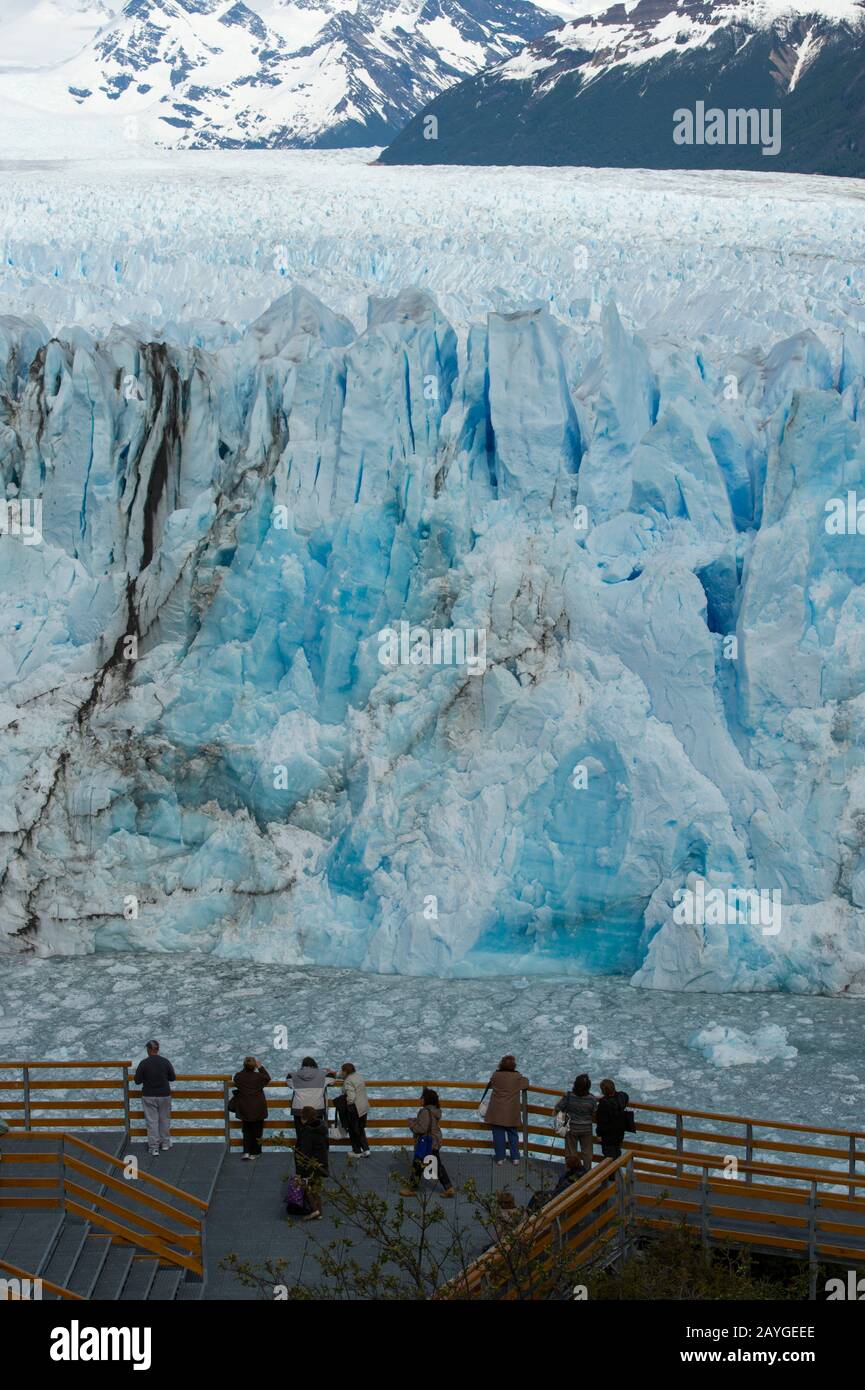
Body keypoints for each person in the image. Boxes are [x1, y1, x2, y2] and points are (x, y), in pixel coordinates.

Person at [401, 1088, 455, 1198]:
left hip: (427, 1142)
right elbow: (428, 1124)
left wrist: (411, 1124)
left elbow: (422, 1129)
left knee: (421, 1164)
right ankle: (448, 1188)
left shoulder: (425, 1112)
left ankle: (413, 1188)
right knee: (423, 1164)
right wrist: (417, 1121)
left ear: (426, 1099)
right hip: (433, 1141)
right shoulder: (433, 1111)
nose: (420, 1099)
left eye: (422, 1097)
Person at [483, 1054, 529, 1166]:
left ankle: (500, 1158)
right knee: (513, 1134)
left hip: (497, 1111)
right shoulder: (517, 1077)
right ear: (514, 1066)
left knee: (498, 1134)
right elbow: (525, 1083)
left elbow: (492, 1083)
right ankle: (515, 1158)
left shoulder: (495, 1075)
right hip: (511, 1112)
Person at [134, 1040, 176, 1157]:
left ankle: (154, 1147)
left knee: (152, 1122)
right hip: (164, 1095)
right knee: (164, 1119)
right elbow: (172, 1078)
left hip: (149, 1095)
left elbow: (137, 1081)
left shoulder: (144, 1063)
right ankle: (165, 1143)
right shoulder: (165, 1062)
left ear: (148, 1050)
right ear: (157, 1049)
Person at [554, 1073, 597, 1171]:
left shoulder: (569, 1096)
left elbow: (558, 1108)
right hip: (586, 1129)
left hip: (572, 1129)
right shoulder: (592, 1099)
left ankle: (571, 1173)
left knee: (571, 1153)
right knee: (587, 1154)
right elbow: (594, 1114)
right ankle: (587, 1174)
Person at [232, 1056, 271, 1160]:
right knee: (257, 1130)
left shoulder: (238, 1076)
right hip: (258, 1106)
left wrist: (245, 1068)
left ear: (244, 1065)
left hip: (244, 1106)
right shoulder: (258, 1077)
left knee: (246, 1130)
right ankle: (255, 1152)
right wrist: (260, 1067)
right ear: (254, 1066)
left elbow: (237, 1082)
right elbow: (267, 1078)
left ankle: (246, 1151)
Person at [294, 1104, 329, 1220]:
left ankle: (315, 1210)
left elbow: (304, 1153)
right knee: (316, 1186)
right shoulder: (320, 1127)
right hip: (320, 1162)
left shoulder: (307, 1133)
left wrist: (300, 1171)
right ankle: (319, 1211)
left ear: (305, 1119)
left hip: (310, 1164)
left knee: (307, 1186)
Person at [286, 1057, 336, 1136]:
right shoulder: (324, 1075)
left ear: (302, 1065)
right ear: (315, 1065)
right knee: (317, 1134)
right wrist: (332, 1073)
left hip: (299, 1109)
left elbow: (289, 1083)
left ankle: (301, 1147)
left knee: (301, 1135)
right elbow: (332, 1081)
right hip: (317, 1109)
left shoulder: (292, 1076)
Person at [336, 1062, 370, 1158]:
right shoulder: (358, 1076)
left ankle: (357, 1151)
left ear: (345, 1072)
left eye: (342, 1070)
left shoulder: (348, 1081)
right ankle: (366, 1149)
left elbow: (351, 1098)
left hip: (355, 1109)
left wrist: (344, 1105)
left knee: (353, 1129)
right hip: (364, 1107)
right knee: (360, 1129)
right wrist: (334, 1074)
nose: (341, 1072)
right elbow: (343, 1076)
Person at [596, 1078, 630, 1159]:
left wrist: (599, 1134)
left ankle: (613, 1172)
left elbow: (601, 1122)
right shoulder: (622, 1096)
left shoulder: (603, 1103)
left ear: (603, 1091)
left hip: (608, 1136)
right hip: (619, 1133)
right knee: (617, 1155)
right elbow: (626, 1096)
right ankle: (617, 1170)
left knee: (609, 1158)